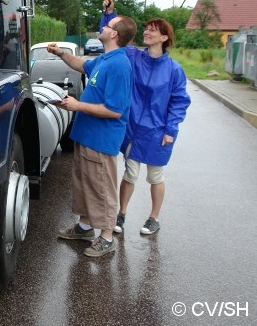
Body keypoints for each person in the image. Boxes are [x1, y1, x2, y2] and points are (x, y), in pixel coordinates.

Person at [47, 14, 137, 257]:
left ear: (115, 34)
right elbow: (80, 64)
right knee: (84, 184)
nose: (102, 27)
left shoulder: (120, 65)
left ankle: (107, 237)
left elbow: (115, 111)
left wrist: (78, 106)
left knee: (101, 189)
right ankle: (85, 227)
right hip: (86, 135)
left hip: (101, 140)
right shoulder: (105, 59)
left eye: (107, 25)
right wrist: (60, 53)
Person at [114, 18, 191, 236]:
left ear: (164, 38)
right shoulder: (134, 56)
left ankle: (154, 218)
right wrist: (109, 14)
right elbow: (115, 36)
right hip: (133, 128)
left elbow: (179, 101)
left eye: (153, 30)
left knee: (155, 175)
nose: (147, 32)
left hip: (158, 131)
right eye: (147, 29)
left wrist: (171, 130)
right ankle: (122, 213)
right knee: (130, 173)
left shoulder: (174, 70)